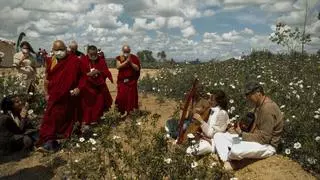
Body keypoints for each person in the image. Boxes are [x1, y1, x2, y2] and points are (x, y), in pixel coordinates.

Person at [213, 82, 284, 170]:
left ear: (258, 93)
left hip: (266, 146)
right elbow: (246, 124)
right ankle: (226, 160)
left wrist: (241, 134)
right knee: (219, 136)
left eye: (249, 95)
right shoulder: (258, 106)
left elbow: (265, 139)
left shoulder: (268, 109)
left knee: (235, 150)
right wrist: (236, 129)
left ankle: (237, 162)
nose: (247, 98)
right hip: (251, 139)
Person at [37, 40, 82, 152]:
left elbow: (83, 77)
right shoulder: (51, 61)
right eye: (56, 50)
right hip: (54, 95)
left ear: (66, 48)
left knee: (66, 118)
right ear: (52, 50)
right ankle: (49, 141)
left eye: (61, 49)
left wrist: (79, 88)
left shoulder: (74, 60)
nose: (59, 52)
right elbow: (47, 79)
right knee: (50, 117)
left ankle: (61, 138)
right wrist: (46, 92)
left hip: (68, 96)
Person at [79, 45, 113, 131]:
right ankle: (87, 122)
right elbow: (79, 74)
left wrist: (99, 72)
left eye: (95, 54)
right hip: (88, 87)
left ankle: (96, 119)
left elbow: (106, 71)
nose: (93, 56)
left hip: (99, 87)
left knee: (100, 103)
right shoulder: (83, 60)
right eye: (91, 54)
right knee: (87, 105)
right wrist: (88, 74)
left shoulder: (101, 60)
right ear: (87, 53)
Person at [186, 90, 229, 155]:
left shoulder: (222, 113)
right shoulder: (212, 110)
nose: (209, 101)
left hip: (212, 143)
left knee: (189, 151)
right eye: (209, 98)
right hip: (204, 137)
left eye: (211, 100)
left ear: (218, 102)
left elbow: (211, 134)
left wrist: (200, 121)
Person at [115, 45, 141, 116]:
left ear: (130, 50)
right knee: (121, 96)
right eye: (125, 51)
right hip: (122, 81)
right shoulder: (120, 57)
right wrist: (126, 61)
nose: (126, 52)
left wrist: (131, 63)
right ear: (122, 51)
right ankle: (121, 110)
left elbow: (137, 68)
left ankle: (129, 113)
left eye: (127, 51)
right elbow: (118, 66)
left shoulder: (134, 58)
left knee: (131, 98)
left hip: (131, 81)